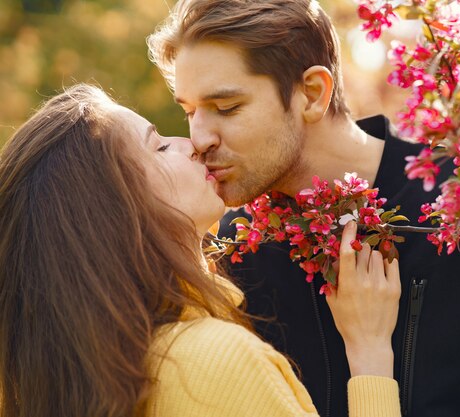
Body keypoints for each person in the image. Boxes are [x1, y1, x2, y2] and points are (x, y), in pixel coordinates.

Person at [148, 1, 460, 416]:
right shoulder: (233, 251)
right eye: (190, 111)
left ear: (312, 93)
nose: (199, 138)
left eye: (226, 107)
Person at [0, 84, 403, 417]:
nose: (192, 144)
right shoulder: (214, 363)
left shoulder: (89, 371)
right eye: (158, 147)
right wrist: (369, 353)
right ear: (113, 209)